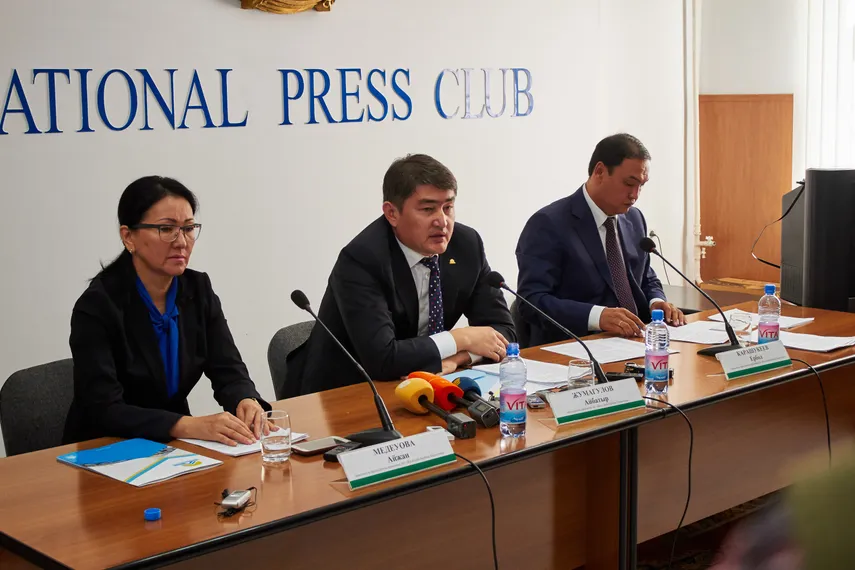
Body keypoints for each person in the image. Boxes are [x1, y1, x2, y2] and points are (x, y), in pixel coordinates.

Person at [63, 176, 271, 446]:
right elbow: (104, 409)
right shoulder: (97, 306)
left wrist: (246, 400)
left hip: (173, 447)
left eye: (188, 228)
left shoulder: (198, 290)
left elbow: (228, 369)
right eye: (166, 229)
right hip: (106, 448)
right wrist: (188, 425)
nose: (181, 241)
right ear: (128, 237)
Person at [285, 154, 516, 396]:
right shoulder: (362, 260)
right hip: (347, 391)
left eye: (448, 207)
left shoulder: (467, 245)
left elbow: (505, 332)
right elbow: (382, 359)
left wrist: (458, 358)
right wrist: (460, 338)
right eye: (428, 209)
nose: (442, 221)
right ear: (392, 213)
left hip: (424, 386)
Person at [515, 133, 686, 345]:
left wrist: (656, 301)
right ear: (600, 172)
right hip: (578, 347)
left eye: (642, 185)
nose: (635, 194)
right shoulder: (548, 224)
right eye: (629, 183)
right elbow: (531, 302)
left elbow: (646, 277)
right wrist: (598, 317)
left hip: (636, 341)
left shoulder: (634, 218)